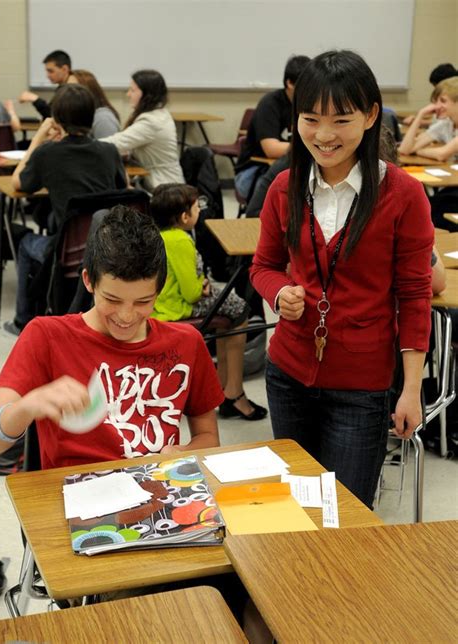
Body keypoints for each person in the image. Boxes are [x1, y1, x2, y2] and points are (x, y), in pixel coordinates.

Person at [250, 50, 434, 509]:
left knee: (344, 512)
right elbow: (263, 267)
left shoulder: (404, 195)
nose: (324, 135)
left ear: (371, 115)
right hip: (288, 372)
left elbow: (415, 295)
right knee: (295, 505)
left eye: (341, 120)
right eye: (311, 119)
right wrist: (280, 292)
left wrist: (411, 389)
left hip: (362, 385)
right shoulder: (284, 187)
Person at [0, 206, 222, 469]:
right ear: (88, 281)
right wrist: (28, 406)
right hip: (79, 498)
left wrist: (181, 453)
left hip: (158, 492)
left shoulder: (186, 342)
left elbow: (208, 437)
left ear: (160, 289)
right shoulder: (46, 336)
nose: (126, 316)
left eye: (143, 301)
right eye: (112, 299)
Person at [4, 83, 127, 336]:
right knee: (48, 218)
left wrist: (38, 138)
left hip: (68, 252)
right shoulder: (108, 150)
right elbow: (124, 190)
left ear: (56, 118)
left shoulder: (48, 153)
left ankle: (22, 321)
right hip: (110, 248)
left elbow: (17, 182)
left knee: (25, 243)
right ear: (92, 116)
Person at [151, 183, 267, 421]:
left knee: (230, 309)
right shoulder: (180, 240)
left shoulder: (161, 236)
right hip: (176, 307)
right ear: (184, 217)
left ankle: (226, 389)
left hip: (164, 302)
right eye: (196, 208)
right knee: (240, 309)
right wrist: (203, 285)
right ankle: (233, 392)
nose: (200, 211)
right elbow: (192, 293)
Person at [234, 55, 310, 201]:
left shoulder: (308, 106)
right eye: (305, 85)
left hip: (288, 168)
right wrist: (308, 146)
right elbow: (271, 149)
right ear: (289, 83)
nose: (310, 90)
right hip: (253, 172)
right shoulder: (270, 103)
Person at [101, 70, 184, 191]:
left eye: (133, 90)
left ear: (147, 95)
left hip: (163, 189)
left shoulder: (151, 121)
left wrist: (84, 144)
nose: (128, 94)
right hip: (163, 183)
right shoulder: (158, 114)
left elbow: (116, 143)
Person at [398, 77, 458, 161]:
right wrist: (420, 114)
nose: (437, 106)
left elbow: (441, 154)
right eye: (436, 101)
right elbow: (404, 150)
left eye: (443, 101)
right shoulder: (445, 124)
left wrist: (418, 151)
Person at [19, 50, 72, 119]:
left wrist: (35, 99)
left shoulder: (72, 91)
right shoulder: (63, 88)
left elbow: (54, 117)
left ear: (65, 69)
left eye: (51, 71)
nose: (48, 75)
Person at [67, 69, 120, 138]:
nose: (67, 93)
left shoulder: (102, 119)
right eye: (67, 88)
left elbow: (108, 148)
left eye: (73, 88)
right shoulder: (80, 115)